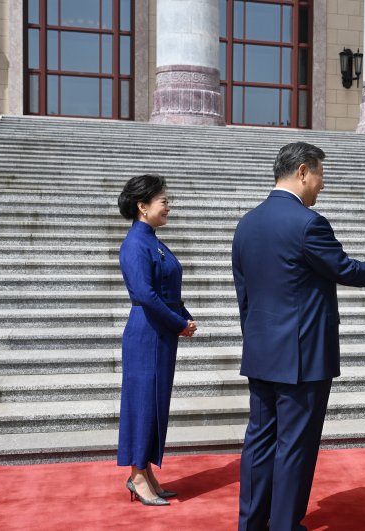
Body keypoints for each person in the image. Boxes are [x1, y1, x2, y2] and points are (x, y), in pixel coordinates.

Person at [232, 142, 365, 531]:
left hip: (261, 352)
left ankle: (252, 523)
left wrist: (257, 340)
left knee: (259, 442)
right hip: (303, 357)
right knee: (295, 446)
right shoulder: (308, 223)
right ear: (304, 171)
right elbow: (343, 268)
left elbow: (243, 293)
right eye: (321, 175)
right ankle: (284, 525)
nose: (321, 185)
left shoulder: (247, 223)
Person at [117, 174, 197, 506]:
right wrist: (179, 322)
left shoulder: (153, 240)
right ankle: (136, 475)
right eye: (163, 201)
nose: (168, 206)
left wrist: (184, 316)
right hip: (147, 331)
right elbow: (145, 296)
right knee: (142, 403)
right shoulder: (136, 243)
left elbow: (166, 290)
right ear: (142, 205)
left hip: (160, 331)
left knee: (156, 403)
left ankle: (146, 471)